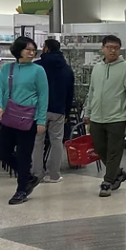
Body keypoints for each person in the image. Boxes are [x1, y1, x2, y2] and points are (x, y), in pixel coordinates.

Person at [0, 36, 49, 205]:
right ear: (18, 51)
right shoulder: (7, 69)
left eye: (34, 50)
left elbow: (43, 96)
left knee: (24, 155)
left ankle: (21, 190)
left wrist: (41, 120)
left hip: (29, 119)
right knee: (2, 151)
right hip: (9, 117)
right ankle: (28, 177)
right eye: (28, 49)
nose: (32, 53)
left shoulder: (38, 70)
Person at [84, 34, 126, 197]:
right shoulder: (97, 68)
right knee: (101, 149)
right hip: (96, 117)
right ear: (103, 48)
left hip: (117, 117)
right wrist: (87, 112)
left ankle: (107, 181)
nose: (112, 51)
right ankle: (118, 173)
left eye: (115, 48)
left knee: (114, 151)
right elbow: (91, 92)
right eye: (109, 47)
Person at [33, 39, 73, 184]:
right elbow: (70, 94)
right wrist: (66, 112)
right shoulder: (67, 69)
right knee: (57, 142)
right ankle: (54, 175)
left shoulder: (37, 66)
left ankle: (37, 174)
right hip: (58, 110)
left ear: (47, 49)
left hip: (38, 110)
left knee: (38, 142)